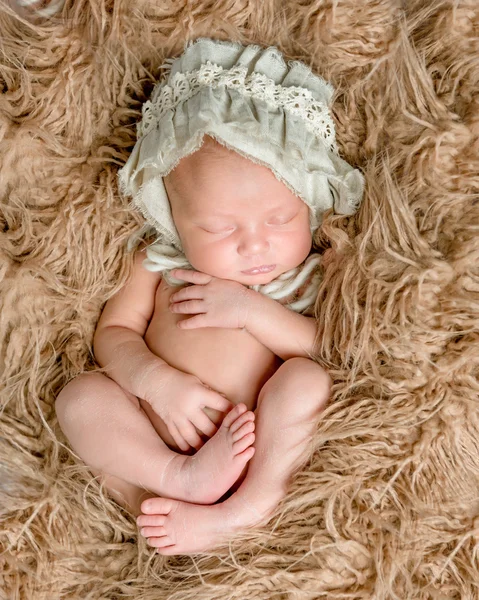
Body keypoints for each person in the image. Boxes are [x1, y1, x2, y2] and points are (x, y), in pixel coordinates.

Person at [55, 37, 364, 555]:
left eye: (280, 219)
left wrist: (250, 310)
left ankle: (248, 508)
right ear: (173, 219)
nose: (255, 244)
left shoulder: (303, 276)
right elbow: (114, 334)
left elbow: (326, 350)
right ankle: (171, 488)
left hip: (256, 442)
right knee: (80, 399)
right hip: (157, 439)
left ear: (308, 207)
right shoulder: (158, 263)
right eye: (221, 229)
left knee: (307, 382)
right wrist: (158, 384)